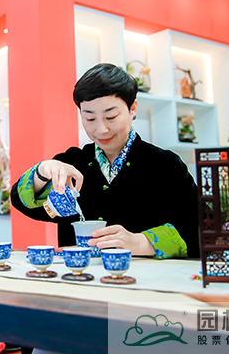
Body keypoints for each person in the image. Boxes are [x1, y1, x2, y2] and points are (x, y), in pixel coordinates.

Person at [10, 63, 199, 258]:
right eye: (90, 119)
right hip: (80, 274)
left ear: (133, 108)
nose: (101, 129)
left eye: (111, 116)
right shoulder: (72, 163)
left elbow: (201, 227)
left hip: (143, 276)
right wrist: (41, 172)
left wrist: (145, 242)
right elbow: (22, 202)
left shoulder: (165, 165)